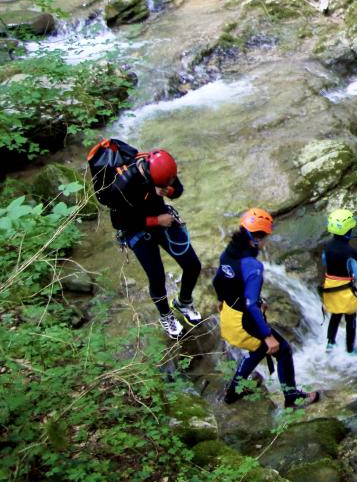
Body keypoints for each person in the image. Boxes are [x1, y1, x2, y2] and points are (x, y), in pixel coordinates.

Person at [87, 142, 202, 339]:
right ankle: (166, 315)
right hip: (136, 230)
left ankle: (183, 302)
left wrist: (170, 192)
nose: (168, 184)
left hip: (161, 219)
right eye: (163, 185)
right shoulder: (122, 185)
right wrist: (157, 220)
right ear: (149, 176)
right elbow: (120, 222)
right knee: (157, 277)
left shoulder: (162, 169)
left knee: (193, 265)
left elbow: (178, 188)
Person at [212, 208, 320, 409]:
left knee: (257, 349)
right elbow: (250, 305)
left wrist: (221, 299)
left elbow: (219, 278)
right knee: (282, 349)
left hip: (229, 313)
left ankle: (233, 392)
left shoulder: (228, 253)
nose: (265, 242)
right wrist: (267, 334)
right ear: (256, 239)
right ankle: (292, 398)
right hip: (244, 319)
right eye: (265, 238)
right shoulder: (253, 266)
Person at [320, 208, 357, 354]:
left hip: (330, 287)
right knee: (350, 319)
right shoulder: (351, 252)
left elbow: (325, 262)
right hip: (345, 290)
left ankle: (330, 343)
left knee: (335, 315)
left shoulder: (326, 246)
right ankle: (350, 349)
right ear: (348, 231)